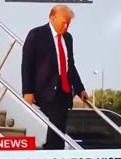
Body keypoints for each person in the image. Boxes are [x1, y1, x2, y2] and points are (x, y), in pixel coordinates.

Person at [21, 5, 89, 150]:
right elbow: (27, 64)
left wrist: (80, 89)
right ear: (52, 18)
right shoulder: (36, 34)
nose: (66, 26)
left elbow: (70, 66)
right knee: (56, 123)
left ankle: (54, 154)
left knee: (60, 128)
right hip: (45, 89)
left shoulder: (68, 38)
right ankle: (51, 154)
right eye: (64, 22)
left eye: (69, 23)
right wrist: (27, 91)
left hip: (64, 90)